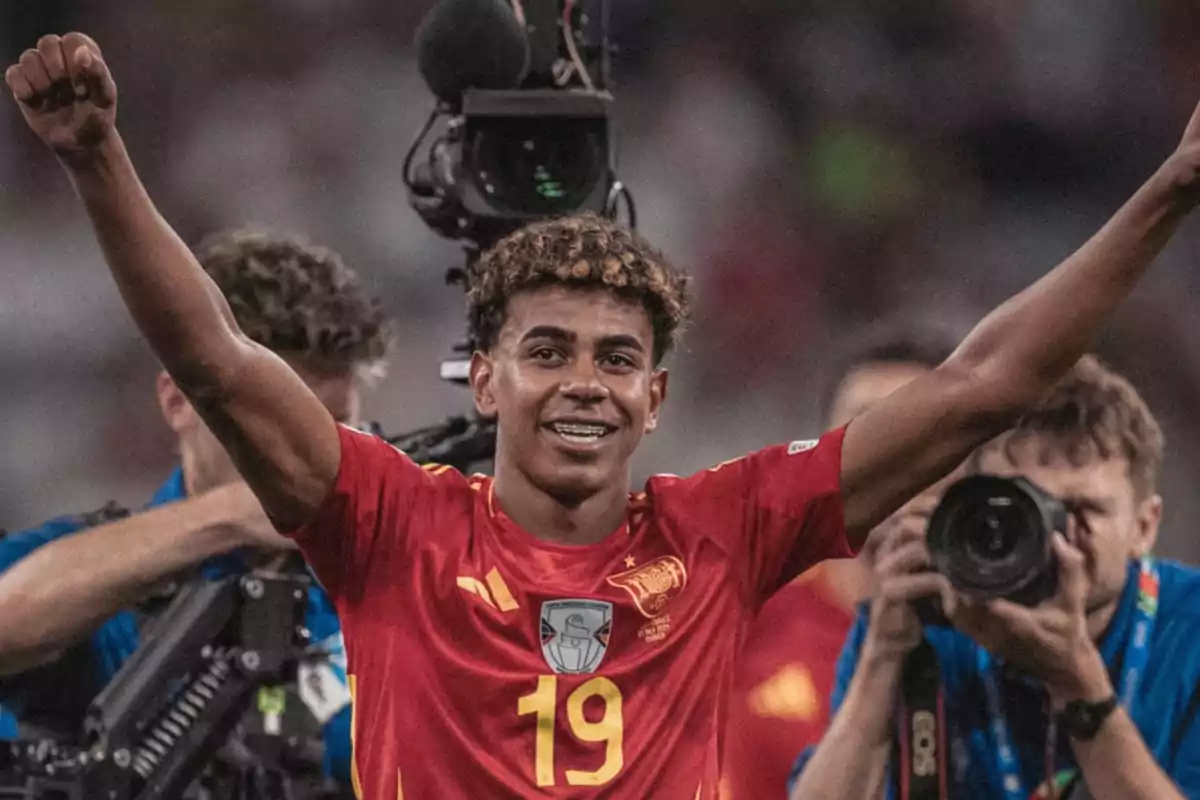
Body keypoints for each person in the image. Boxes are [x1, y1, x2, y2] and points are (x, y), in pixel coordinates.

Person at [8, 32, 1200, 799]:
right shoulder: (387, 518)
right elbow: (215, 358)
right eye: (549, 350)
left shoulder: (725, 526)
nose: (585, 378)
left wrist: (1171, 185)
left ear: (655, 394)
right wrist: (100, 157)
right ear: (483, 378)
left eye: (618, 357)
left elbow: (984, 381)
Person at [0, 227, 392, 795]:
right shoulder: (101, 583)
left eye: (337, 429)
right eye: (276, 427)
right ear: (178, 400)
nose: (311, 456)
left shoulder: (391, 585)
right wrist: (225, 517)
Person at [789, 355, 1200, 799]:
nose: (1052, 536)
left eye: (1082, 510)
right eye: (1021, 506)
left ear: (1144, 526)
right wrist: (883, 658)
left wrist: (1079, 685)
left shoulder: (1190, 633)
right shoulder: (926, 615)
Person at [722, 325, 958, 800]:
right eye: (866, 428)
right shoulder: (739, 618)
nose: (889, 452)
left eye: (916, 426)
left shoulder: (1013, 630)